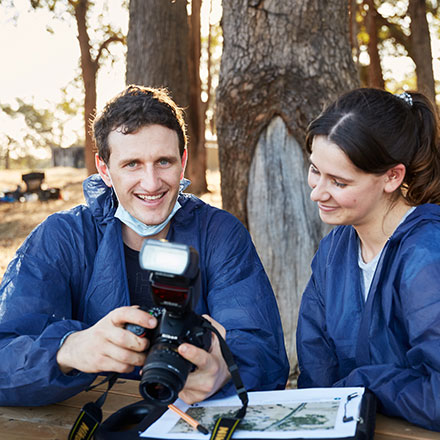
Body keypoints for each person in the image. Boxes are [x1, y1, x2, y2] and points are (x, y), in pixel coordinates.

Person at [0, 85, 289, 406]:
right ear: (104, 169)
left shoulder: (219, 233)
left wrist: (226, 369)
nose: (151, 184)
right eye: (132, 164)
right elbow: (5, 354)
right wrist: (68, 349)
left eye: (163, 162)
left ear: (183, 160)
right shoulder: (62, 237)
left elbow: (263, 348)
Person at [296, 88, 440, 432]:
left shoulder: (427, 257)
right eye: (315, 170)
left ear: (393, 176)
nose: (317, 192)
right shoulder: (333, 250)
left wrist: (366, 383)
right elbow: (316, 371)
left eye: (339, 181)